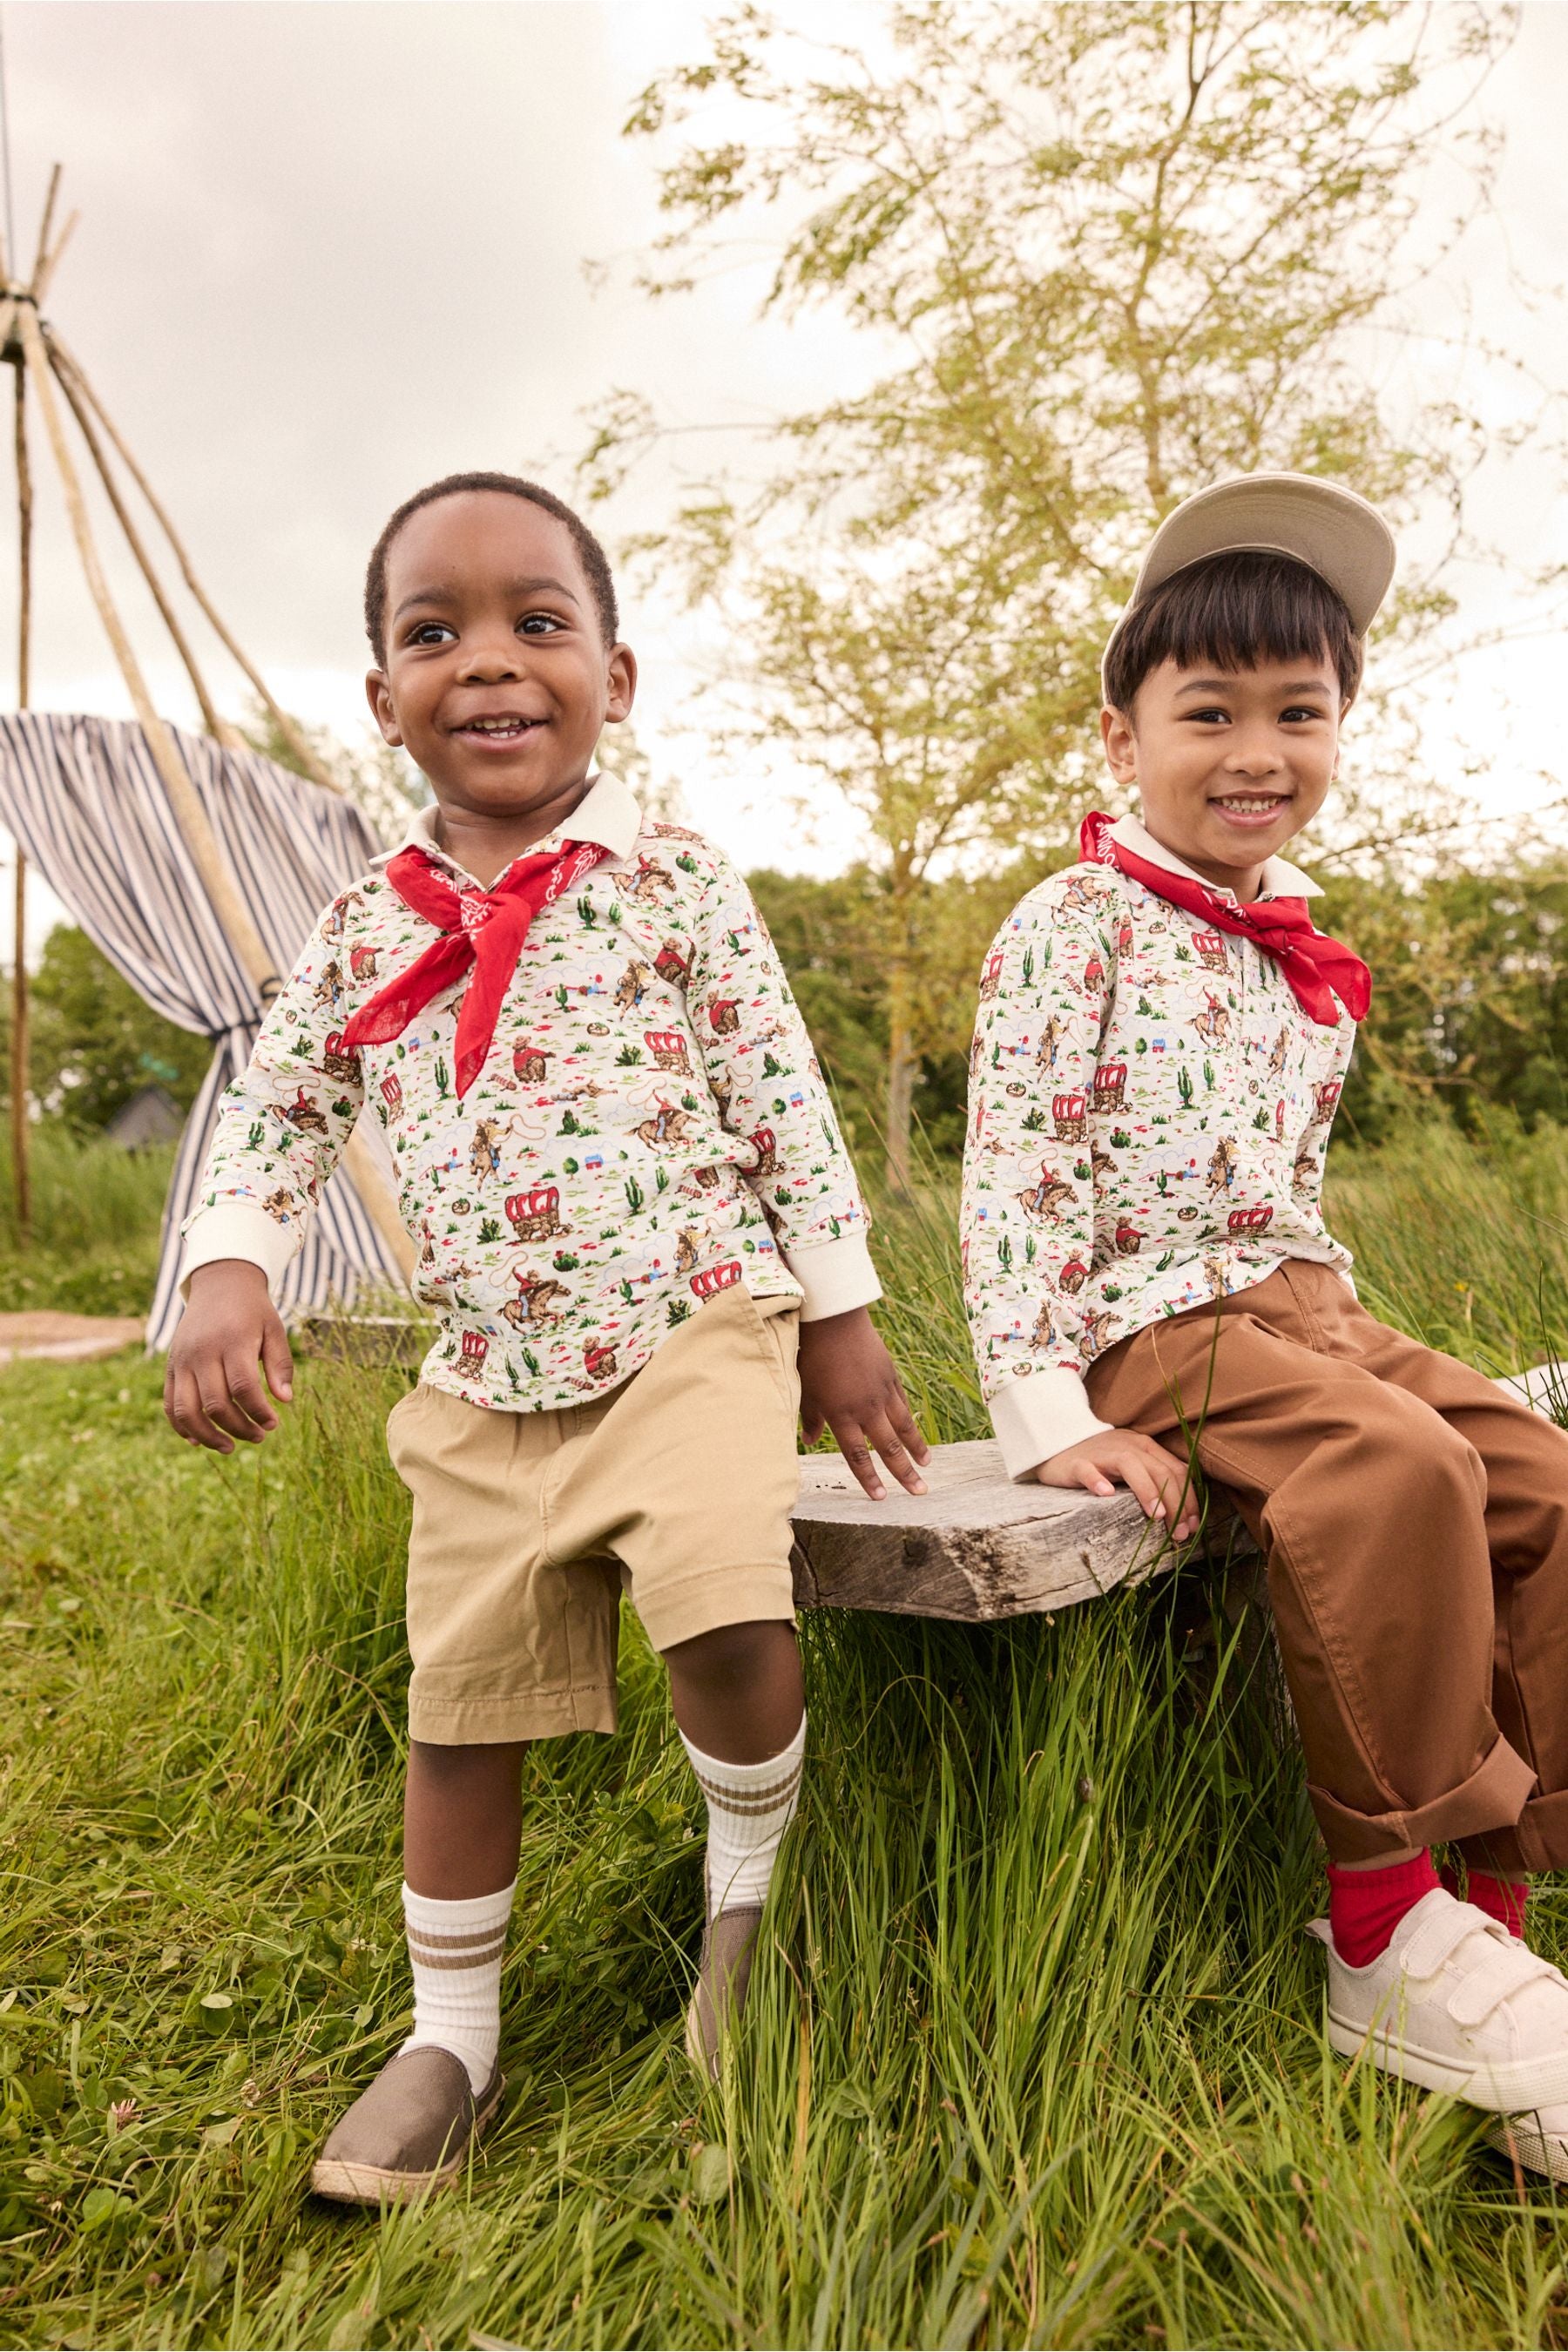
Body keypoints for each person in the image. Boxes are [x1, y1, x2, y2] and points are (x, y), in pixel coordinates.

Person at [165, 470, 930, 2204]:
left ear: (617, 675)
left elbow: (783, 1101)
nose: (488, 663)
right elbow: (279, 1106)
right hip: (485, 1380)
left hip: (694, 1330)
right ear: (383, 701)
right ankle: (454, 2036)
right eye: (433, 634)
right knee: (458, 1709)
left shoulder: (673, 881)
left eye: (538, 622)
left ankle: (746, 1902)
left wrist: (843, 1321)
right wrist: (232, 1269)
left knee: (723, 1604)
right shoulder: (366, 923)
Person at [962, 471, 1568, 2181]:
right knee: (1390, 1475)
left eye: (1298, 713)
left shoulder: (1291, 958)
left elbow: (1291, 1202)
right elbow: (1013, 1184)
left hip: (1307, 1308)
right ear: (1121, 736)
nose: (1256, 749)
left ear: (1339, 731)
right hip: (1150, 1322)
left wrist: (1372, 1341)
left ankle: (1498, 1913)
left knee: (1526, 1466)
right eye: (1208, 711)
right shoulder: (1072, 926)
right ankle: (1381, 1929)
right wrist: (1040, 1402)